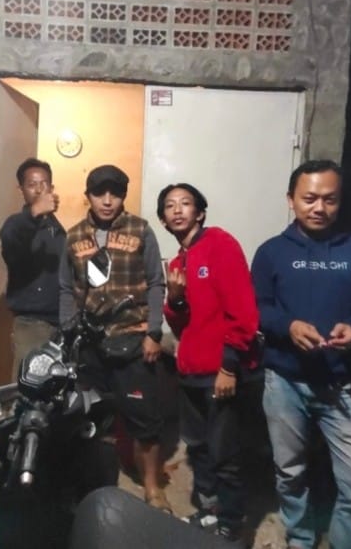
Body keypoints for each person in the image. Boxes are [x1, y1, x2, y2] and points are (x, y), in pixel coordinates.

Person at [250, 159, 351, 549]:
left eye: (330, 199)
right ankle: (300, 538)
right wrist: (288, 326)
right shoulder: (272, 252)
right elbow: (257, 307)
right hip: (285, 382)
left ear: (340, 202)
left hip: (342, 385)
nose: (319, 207)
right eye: (309, 198)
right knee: (290, 472)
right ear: (291, 200)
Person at [58, 164, 169, 511]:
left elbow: (156, 283)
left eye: (115, 193)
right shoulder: (74, 236)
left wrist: (154, 332)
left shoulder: (141, 230)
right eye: (99, 193)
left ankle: (152, 488)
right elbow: (66, 288)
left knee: (144, 421)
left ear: (123, 196)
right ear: (88, 196)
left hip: (134, 341)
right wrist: (68, 329)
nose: (107, 201)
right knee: (92, 420)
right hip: (91, 346)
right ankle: (96, 484)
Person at [158, 183, 260, 547]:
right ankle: (211, 512)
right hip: (191, 372)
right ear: (163, 220)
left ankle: (232, 528)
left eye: (185, 203)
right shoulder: (176, 264)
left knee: (224, 454)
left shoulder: (220, 244)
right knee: (198, 448)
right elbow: (180, 326)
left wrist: (229, 367)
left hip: (221, 372)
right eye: (170, 206)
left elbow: (243, 313)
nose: (178, 210)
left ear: (200, 212)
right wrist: (175, 298)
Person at [0, 158, 66, 381]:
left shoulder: (56, 227)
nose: (39, 189)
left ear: (52, 188)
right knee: (28, 387)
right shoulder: (16, 223)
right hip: (32, 325)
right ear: (21, 190)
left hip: (59, 323)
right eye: (32, 184)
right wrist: (35, 212)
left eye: (44, 183)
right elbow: (10, 240)